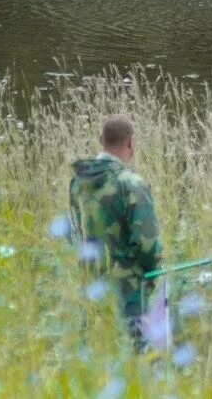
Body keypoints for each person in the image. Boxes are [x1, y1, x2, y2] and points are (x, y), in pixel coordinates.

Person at [68, 114, 163, 346]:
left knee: (94, 354)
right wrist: (151, 274)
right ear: (130, 143)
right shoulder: (131, 184)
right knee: (135, 360)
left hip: (91, 287)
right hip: (128, 293)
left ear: (100, 139)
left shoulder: (79, 181)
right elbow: (147, 245)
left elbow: (74, 233)